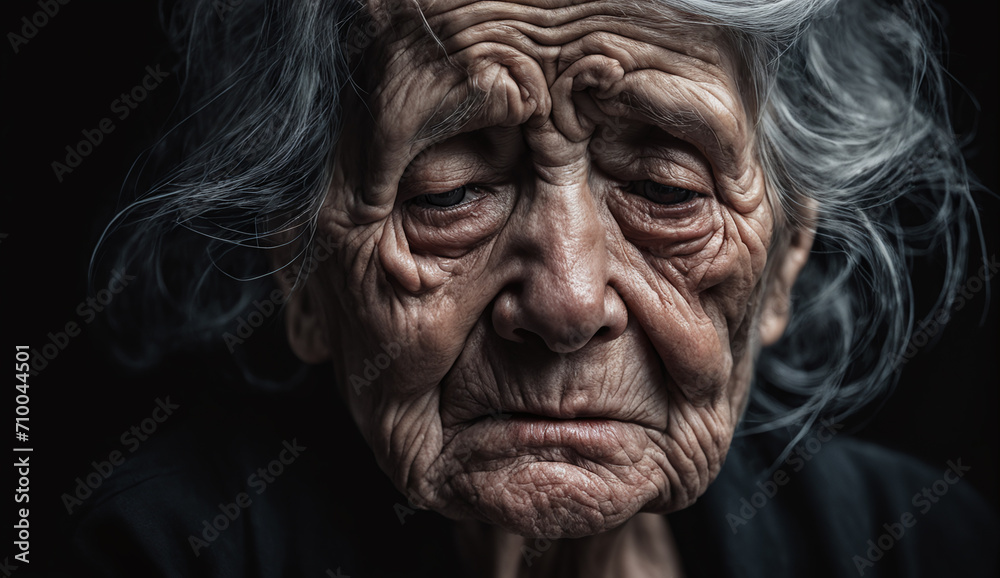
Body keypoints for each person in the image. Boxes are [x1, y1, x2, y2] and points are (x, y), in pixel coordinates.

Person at [61, 0, 996, 575]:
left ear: (786, 255)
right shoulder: (152, 555)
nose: (568, 301)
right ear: (300, 269)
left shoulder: (922, 548)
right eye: (452, 192)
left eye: (666, 192)